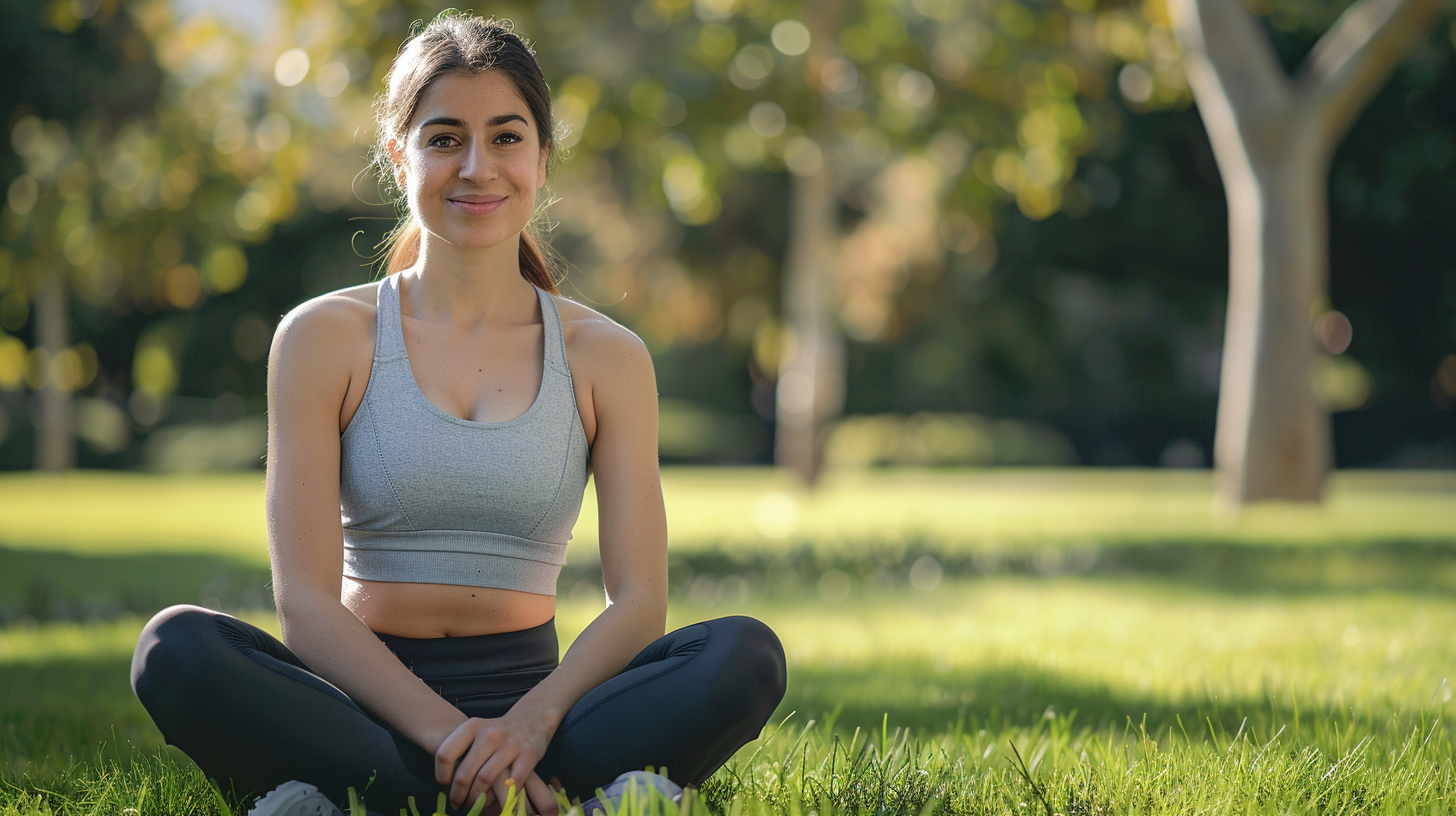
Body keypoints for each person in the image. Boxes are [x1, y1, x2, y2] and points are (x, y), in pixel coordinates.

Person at [129, 12, 787, 816]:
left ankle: (372, 805)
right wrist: (453, 741)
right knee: (176, 651)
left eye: (506, 137)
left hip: (539, 718)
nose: (478, 167)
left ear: (543, 159)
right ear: (397, 155)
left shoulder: (607, 356)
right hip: (360, 708)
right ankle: (550, 803)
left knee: (743, 655)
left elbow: (638, 601)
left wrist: (527, 727)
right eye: (444, 139)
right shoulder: (322, 338)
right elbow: (304, 604)